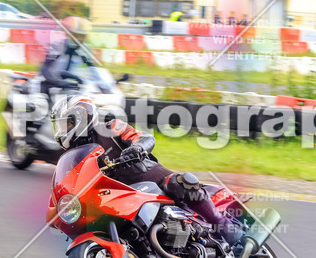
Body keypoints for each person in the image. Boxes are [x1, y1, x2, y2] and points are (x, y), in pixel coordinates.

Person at [51, 96, 240, 243]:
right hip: (118, 198)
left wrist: (138, 148)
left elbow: (144, 137)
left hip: (151, 180)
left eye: (66, 123)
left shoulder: (110, 128)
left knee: (179, 183)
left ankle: (222, 226)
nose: (62, 130)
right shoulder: (74, 158)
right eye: (59, 125)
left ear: (82, 116)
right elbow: (67, 186)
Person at [39, 16, 93, 96]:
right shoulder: (57, 46)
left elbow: (93, 69)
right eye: (76, 35)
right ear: (68, 34)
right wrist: (58, 82)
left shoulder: (84, 49)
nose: (79, 39)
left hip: (70, 87)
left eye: (82, 36)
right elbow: (45, 69)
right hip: (50, 85)